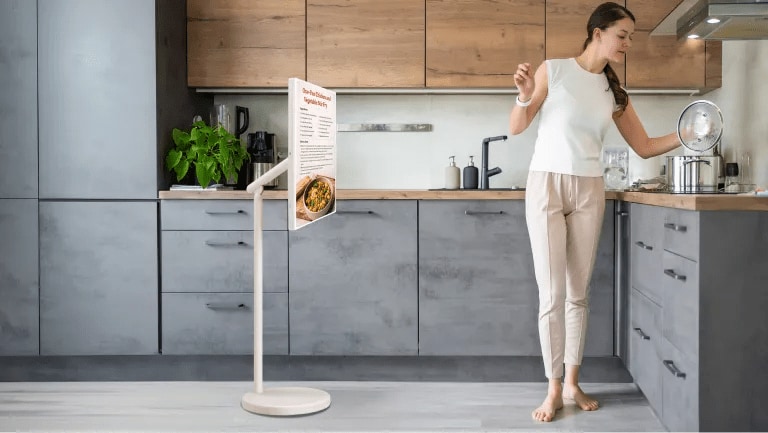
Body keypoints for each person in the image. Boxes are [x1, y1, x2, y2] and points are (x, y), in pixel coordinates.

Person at [509, 1, 682, 423]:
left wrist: (688, 133)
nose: (626, 44)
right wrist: (524, 95)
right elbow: (517, 126)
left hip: (589, 188)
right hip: (547, 184)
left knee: (578, 293)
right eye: (622, 35)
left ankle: (572, 382)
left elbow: (644, 146)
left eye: (629, 38)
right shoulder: (555, 70)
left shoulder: (614, 91)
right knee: (551, 294)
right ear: (598, 32)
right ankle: (552, 389)